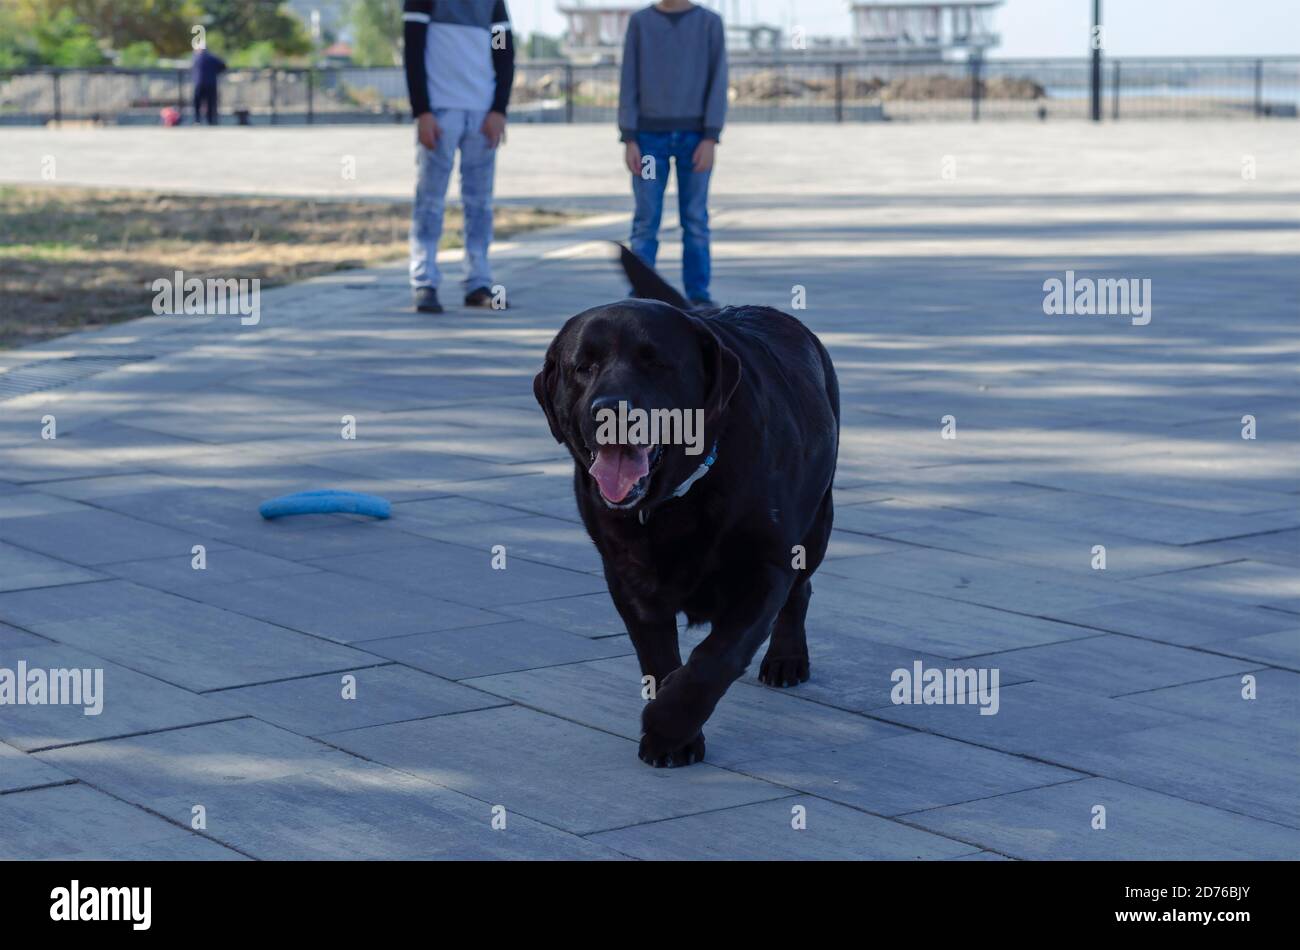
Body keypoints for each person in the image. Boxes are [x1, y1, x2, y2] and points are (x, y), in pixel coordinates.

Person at [403, 0, 515, 314]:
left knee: (480, 202)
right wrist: (421, 110)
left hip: (482, 114)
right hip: (439, 112)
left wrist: (499, 109)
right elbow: (412, 49)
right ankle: (424, 281)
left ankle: (478, 282)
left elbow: (504, 50)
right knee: (430, 200)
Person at [618, 0, 727, 309]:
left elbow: (718, 80)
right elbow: (628, 79)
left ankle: (698, 295)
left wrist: (710, 136)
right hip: (648, 140)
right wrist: (629, 137)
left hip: (696, 138)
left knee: (694, 218)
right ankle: (640, 294)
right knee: (646, 219)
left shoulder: (709, 23)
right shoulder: (640, 22)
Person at [191, 47, 226, 126]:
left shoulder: (196, 57)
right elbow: (223, 66)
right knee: (210, 103)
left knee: (197, 103)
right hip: (211, 83)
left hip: (199, 83)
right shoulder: (212, 57)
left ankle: (197, 120)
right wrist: (215, 72)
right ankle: (210, 120)